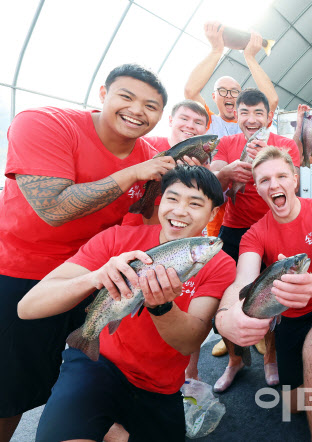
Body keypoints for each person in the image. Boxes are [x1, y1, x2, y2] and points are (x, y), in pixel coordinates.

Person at [0, 63, 175, 442]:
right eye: (126, 97)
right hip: (22, 274)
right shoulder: (45, 123)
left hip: (100, 272)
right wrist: (130, 174)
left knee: (96, 367)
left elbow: (143, 214)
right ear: (102, 94)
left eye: (151, 105)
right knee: (10, 391)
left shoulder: (147, 153)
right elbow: (54, 208)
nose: (137, 111)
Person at [16, 165, 235, 442]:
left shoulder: (221, 265)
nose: (180, 211)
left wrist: (162, 307)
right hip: (96, 365)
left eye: (195, 203)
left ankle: (110, 429)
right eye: (172, 198)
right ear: (161, 200)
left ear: (213, 213)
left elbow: (189, 342)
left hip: (161, 386)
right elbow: (27, 307)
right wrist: (96, 277)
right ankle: (104, 425)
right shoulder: (116, 239)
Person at [213, 146, 312, 441]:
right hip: (289, 316)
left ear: (294, 180)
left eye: (281, 176)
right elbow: (242, 281)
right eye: (264, 180)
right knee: (292, 404)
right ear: (258, 189)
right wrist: (226, 315)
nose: (274, 184)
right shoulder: (254, 233)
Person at [209, 88, 301, 388]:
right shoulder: (225, 144)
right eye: (245, 112)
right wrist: (232, 167)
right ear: (236, 115)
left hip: (275, 229)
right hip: (235, 230)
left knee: (275, 298)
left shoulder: (285, 144)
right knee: (227, 296)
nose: (251, 119)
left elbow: (292, 189)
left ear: (269, 117)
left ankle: (270, 357)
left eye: (258, 112)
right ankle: (236, 361)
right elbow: (213, 186)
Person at [122, 99, 210, 227]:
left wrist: (200, 178)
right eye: (184, 119)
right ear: (170, 120)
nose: (190, 125)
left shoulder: (204, 162)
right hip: (133, 226)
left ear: (206, 129)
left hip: (176, 228)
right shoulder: (142, 144)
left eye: (198, 122)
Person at [184, 21, 279, 138]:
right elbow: (190, 91)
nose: (229, 96)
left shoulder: (252, 123)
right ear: (214, 96)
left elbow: (272, 100)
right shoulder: (208, 121)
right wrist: (216, 50)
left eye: (234, 91)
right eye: (222, 90)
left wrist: (250, 57)